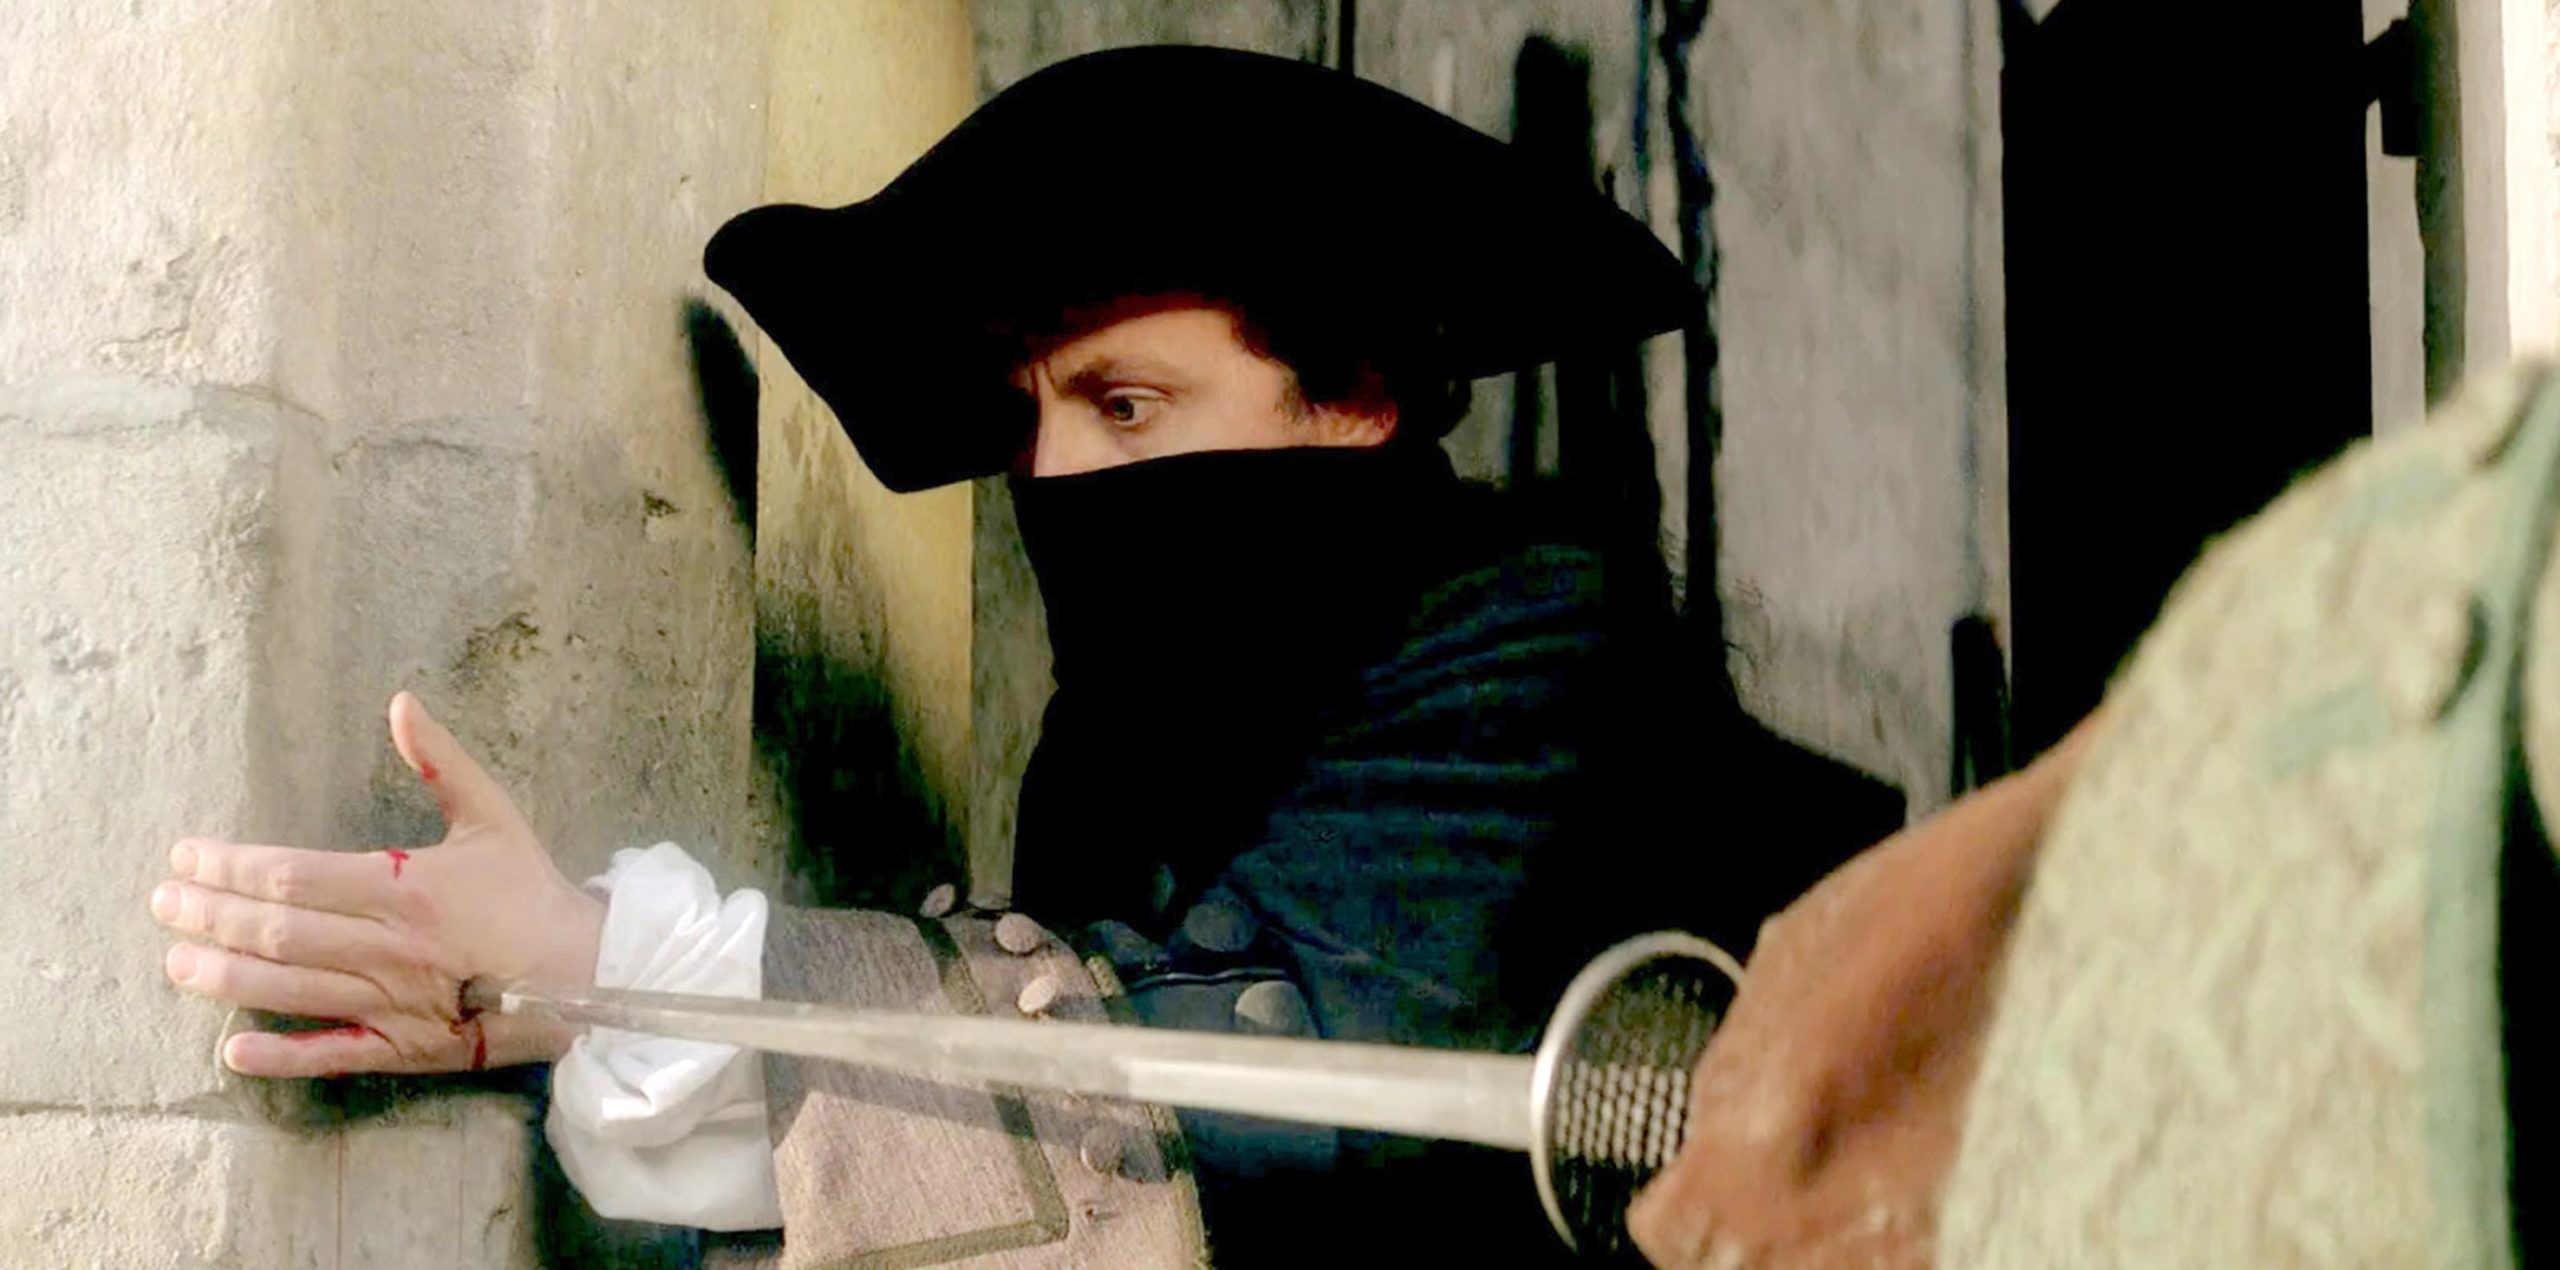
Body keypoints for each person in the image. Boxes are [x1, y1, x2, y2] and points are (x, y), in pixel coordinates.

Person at [148, 46, 1884, 1264]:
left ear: (1356, 396)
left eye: (1127, 404)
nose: (1056, 482)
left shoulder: (1542, 646)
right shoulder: (1108, 747)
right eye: (1028, 420)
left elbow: (1262, 1079)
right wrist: (557, 1010)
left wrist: (615, 965)